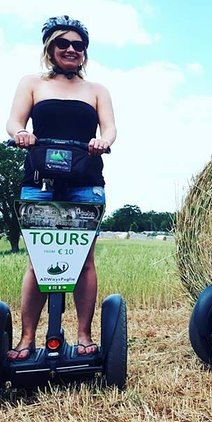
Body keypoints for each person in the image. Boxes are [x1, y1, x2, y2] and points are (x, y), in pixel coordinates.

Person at [5, 15, 117, 360]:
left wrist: (101, 141)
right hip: (40, 183)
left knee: (83, 261)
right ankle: (26, 338)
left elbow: (110, 130)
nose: (71, 50)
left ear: (84, 52)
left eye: (78, 45)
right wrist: (20, 134)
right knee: (38, 262)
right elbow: (13, 121)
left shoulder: (97, 90)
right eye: (63, 44)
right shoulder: (33, 83)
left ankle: (83, 334)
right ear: (50, 49)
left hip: (85, 183)